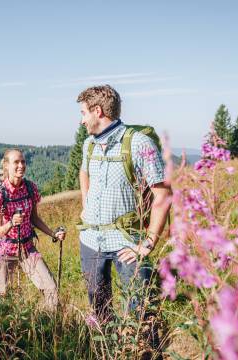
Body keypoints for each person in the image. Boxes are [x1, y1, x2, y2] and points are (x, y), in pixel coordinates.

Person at [76, 85, 172, 322]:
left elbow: (163, 195)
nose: (81, 121)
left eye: (83, 113)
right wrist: (85, 205)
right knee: (99, 310)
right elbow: (83, 173)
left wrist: (148, 244)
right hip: (90, 241)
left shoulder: (138, 144)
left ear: (97, 111)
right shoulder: (89, 144)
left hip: (128, 242)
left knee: (139, 311)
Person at [0, 148, 66, 311]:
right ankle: (4, 334)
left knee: (51, 287)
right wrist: (11, 223)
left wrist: (53, 234)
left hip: (27, 248)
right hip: (5, 251)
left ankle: (49, 328)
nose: (21, 165)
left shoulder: (30, 188)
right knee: (3, 297)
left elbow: (34, 218)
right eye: (16, 162)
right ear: (6, 166)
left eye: (23, 161)